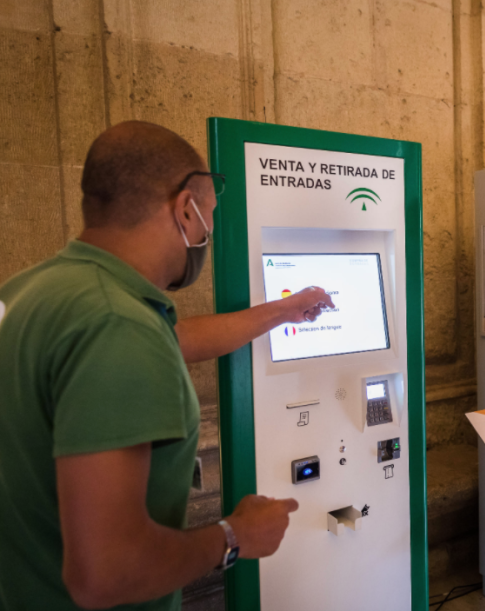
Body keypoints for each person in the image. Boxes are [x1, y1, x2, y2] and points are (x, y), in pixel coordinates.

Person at [0, 121, 335, 610]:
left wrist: (285, 310)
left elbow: (173, 340)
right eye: (209, 218)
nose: (207, 234)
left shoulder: (31, 291)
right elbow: (106, 573)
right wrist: (234, 535)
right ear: (185, 208)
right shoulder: (117, 324)